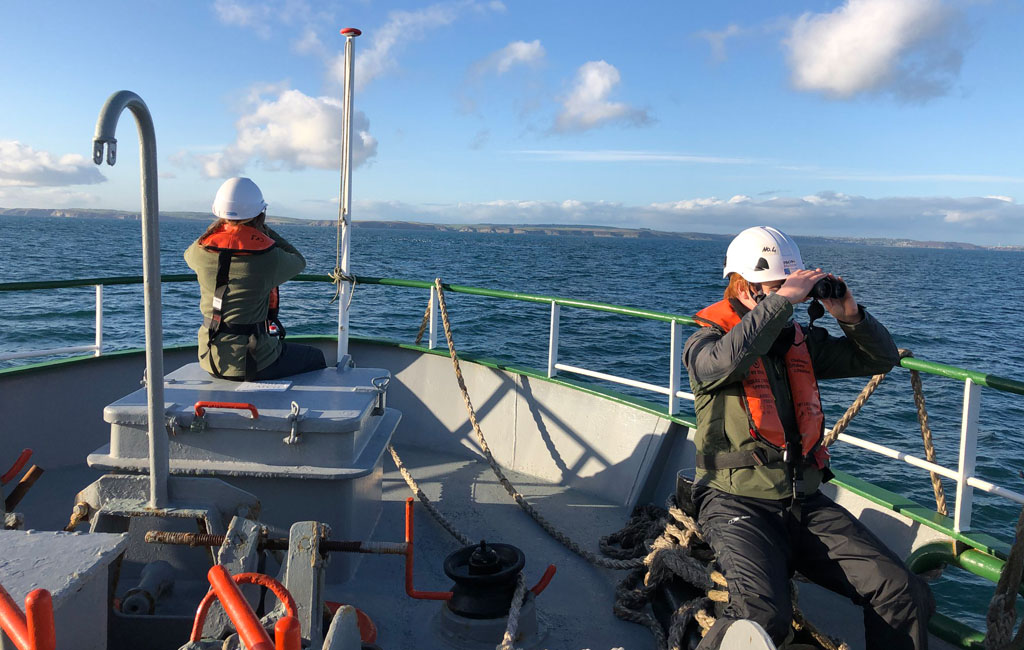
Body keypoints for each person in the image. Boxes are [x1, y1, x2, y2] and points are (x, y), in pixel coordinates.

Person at [682, 226, 933, 649]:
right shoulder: (707, 341)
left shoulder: (798, 343)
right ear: (743, 285)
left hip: (804, 502)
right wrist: (781, 304)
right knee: (760, 618)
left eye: (790, 286)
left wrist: (850, 313)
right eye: (776, 287)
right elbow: (719, 366)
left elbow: (881, 358)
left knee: (900, 591)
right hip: (735, 502)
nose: (789, 296)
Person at [185, 177, 326, 381]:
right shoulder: (269, 258)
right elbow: (298, 260)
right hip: (255, 361)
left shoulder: (199, 253)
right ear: (260, 214)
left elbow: (193, 248)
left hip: (210, 358)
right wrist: (264, 232)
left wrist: (222, 228)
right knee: (316, 358)